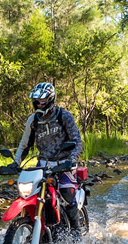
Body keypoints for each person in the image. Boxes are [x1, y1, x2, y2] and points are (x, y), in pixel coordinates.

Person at [13, 82, 84, 232]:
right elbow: (24, 144)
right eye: (37, 101)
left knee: (67, 194)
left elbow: (77, 141)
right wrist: (15, 162)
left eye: (43, 102)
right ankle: (35, 226)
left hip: (64, 162)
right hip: (43, 164)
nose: (39, 104)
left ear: (50, 100)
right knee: (31, 192)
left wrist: (72, 159)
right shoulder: (33, 120)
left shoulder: (64, 116)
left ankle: (76, 230)